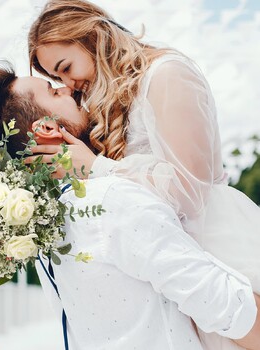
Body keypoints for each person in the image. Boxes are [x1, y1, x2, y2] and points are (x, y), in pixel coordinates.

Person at [0, 63, 260, 350]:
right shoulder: (110, 200)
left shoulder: (43, 228)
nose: (69, 90)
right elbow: (225, 306)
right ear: (45, 128)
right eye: (54, 92)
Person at [27, 2, 260, 346]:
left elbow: (188, 190)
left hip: (218, 242)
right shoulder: (111, 98)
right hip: (177, 258)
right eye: (56, 79)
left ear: (92, 36)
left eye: (65, 68)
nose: (69, 83)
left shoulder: (168, 74)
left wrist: (95, 167)